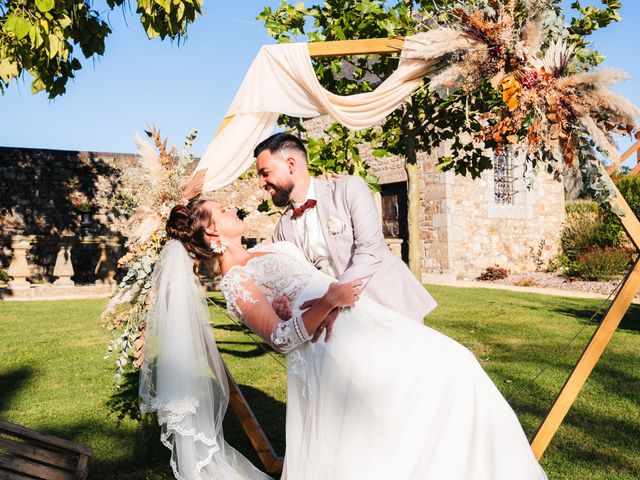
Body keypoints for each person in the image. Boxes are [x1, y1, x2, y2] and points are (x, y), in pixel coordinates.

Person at [142, 198, 547, 480]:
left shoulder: (266, 249)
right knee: (404, 408)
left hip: (368, 322)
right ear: (213, 234)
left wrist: (316, 297)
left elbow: (305, 271)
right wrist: (328, 301)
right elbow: (281, 338)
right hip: (335, 349)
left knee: (456, 363)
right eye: (222, 211)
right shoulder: (235, 282)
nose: (232, 209)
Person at [254, 133, 436, 340]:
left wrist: (333, 301)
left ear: (291, 164)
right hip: (346, 327)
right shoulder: (284, 225)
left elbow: (370, 250)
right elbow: (262, 259)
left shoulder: (348, 188)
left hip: (390, 305)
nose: (261, 183)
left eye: (265, 173)